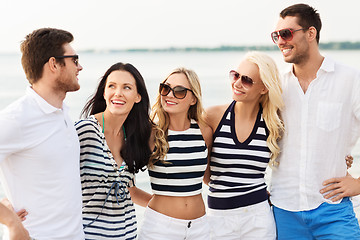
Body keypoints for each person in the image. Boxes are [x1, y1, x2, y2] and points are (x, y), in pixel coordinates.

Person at [269, 3, 360, 239]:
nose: (280, 41)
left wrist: (359, 183)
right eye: (276, 35)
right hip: (283, 210)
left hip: (333, 209)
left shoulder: (350, 79)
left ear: (311, 34)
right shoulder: (276, 86)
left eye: (286, 33)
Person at [0, 28, 84, 239]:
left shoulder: (63, 112)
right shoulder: (16, 119)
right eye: (74, 60)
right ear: (54, 64)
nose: (80, 66)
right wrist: (10, 221)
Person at [75, 62, 164, 239]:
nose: (118, 93)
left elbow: (129, 190)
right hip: (88, 235)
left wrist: (168, 210)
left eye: (127, 87)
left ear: (138, 96)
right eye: (112, 86)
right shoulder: (84, 130)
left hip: (127, 234)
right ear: (104, 93)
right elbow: (53, 177)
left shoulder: (131, 136)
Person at [204, 51, 283, 239]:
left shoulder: (273, 123)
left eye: (247, 80)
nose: (237, 83)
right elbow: (203, 170)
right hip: (218, 218)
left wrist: (343, 157)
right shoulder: (212, 116)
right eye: (235, 75)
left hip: (258, 218)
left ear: (264, 88)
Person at [138, 67, 212, 240]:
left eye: (179, 91)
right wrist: (161, 210)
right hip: (160, 228)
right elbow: (128, 185)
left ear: (193, 98)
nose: (170, 95)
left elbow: (208, 178)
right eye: (166, 88)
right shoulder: (150, 134)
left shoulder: (204, 132)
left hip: (200, 227)